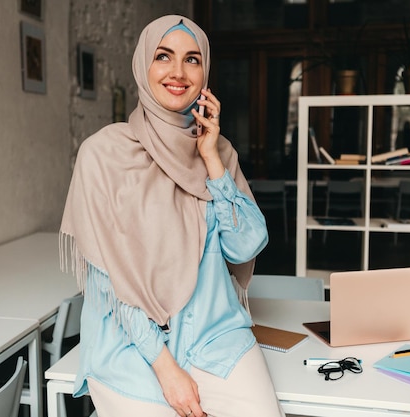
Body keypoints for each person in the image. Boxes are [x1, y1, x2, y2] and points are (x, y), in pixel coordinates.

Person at [60, 15, 284, 417]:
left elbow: (246, 246)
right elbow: (110, 282)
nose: (178, 72)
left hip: (217, 338)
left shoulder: (221, 152)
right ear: (144, 64)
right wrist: (167, 370)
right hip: (133, 348)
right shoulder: (102, 154)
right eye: (164, 56)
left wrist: (211, 158)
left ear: (205, 72)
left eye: (192, 60)